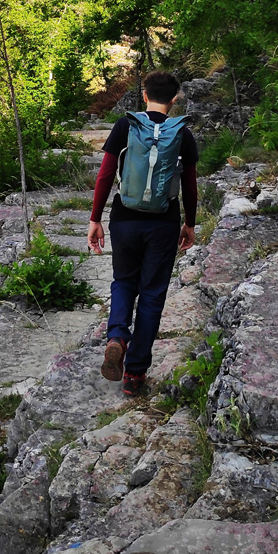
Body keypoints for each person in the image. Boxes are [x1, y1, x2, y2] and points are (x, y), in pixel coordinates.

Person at [87, 71, 198, 396]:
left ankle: (117, 336)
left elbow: (106, 174)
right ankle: (134, 375)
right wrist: (189, 223)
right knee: (151, 296)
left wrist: (96, 219)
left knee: (123, 281)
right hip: (163, 224)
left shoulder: (127, 126)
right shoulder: (182, 134)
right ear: (174, 99)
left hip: (125, 220)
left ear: (144, 94)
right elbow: (189, 186)